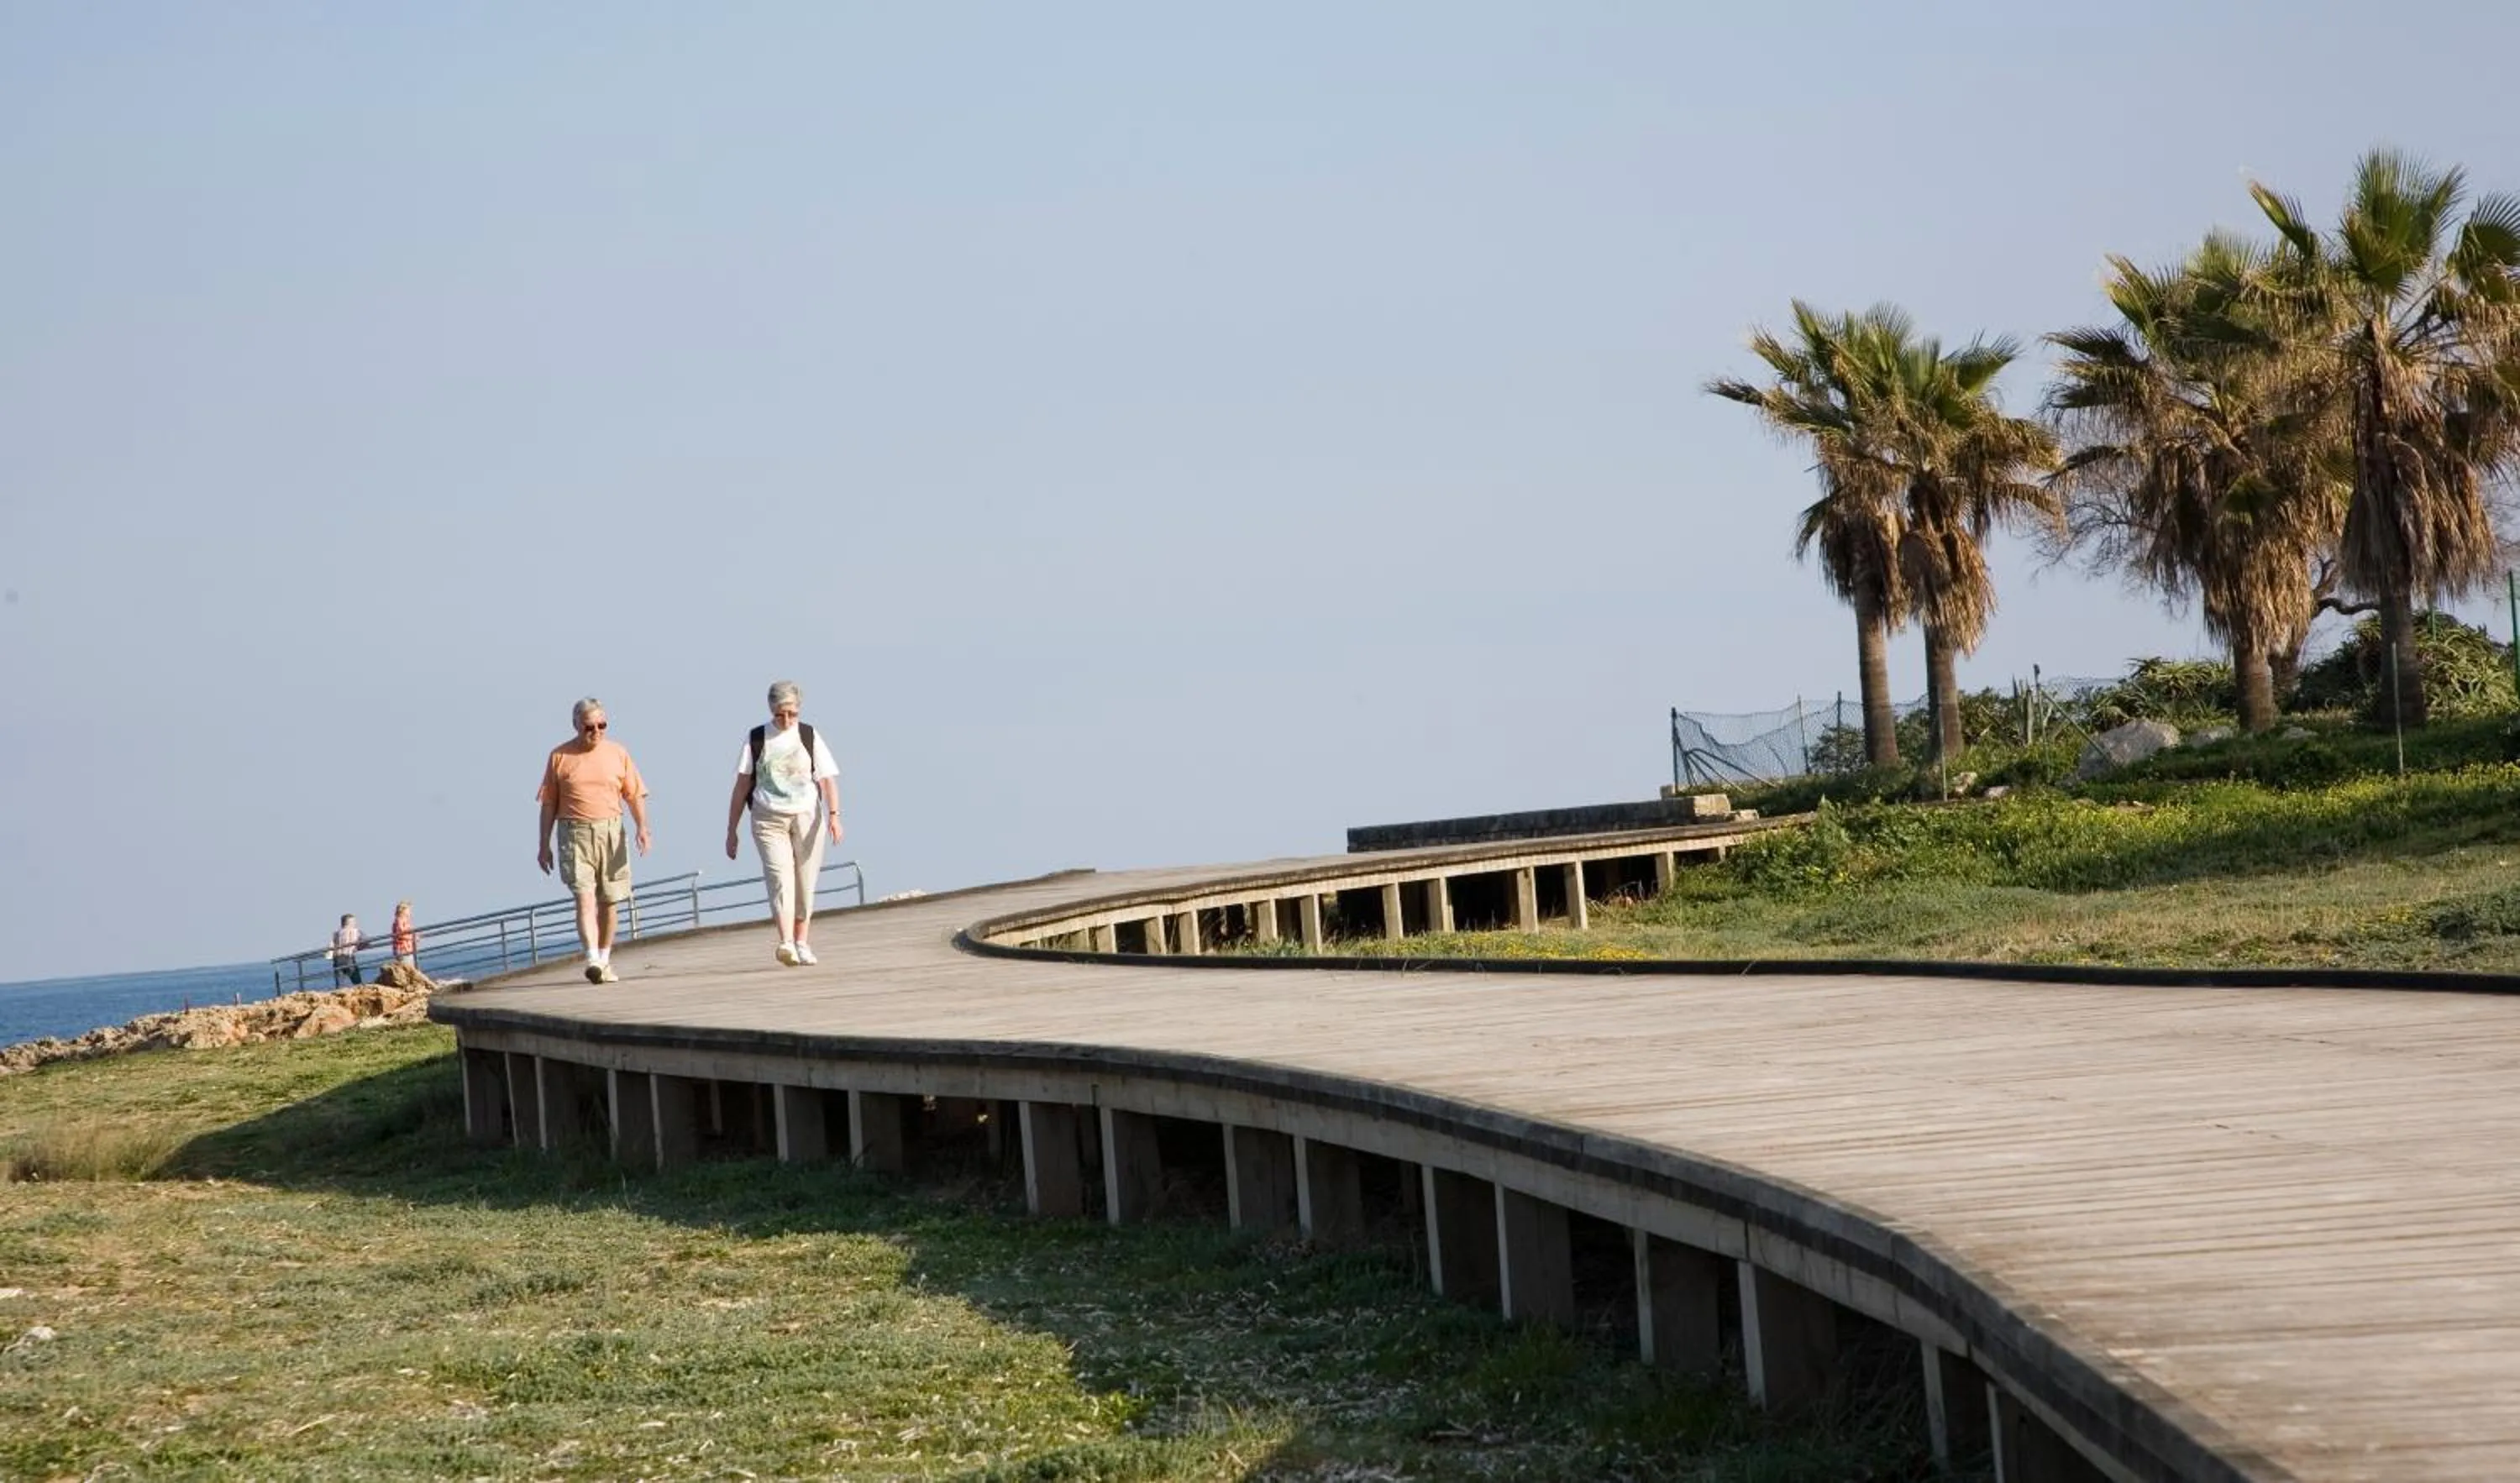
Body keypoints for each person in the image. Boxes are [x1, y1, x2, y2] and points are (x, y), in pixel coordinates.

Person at [724, 679, 843, 966]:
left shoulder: (808, 735)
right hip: (767, 816)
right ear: (771, 710)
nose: (786, 719)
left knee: (805, 880)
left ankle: (802, 941)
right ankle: (786, 942)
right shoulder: (757, 738)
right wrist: (732, 830)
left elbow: (827, 779)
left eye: (791, 713)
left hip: (807, 815)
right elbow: (742, 785)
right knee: (780, 877)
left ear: (799, 710)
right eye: (780, 714)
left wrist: (835, 816)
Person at [536, 695, 652, 983]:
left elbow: (634, 794)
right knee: (584, 898)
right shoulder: (559, 757)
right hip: (574, 834)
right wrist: (543, 845)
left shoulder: (618, 753)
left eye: (602, 725)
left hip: (611, 831)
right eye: (590, 727)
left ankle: (604, 958)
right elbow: (549, 803)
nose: (596, 732)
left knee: (610, 900)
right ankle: (591, 958)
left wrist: (642, 828)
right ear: (576, 725)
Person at [328, 913, 364, 987]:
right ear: (350, 923)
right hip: (348, 957)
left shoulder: (336, 933)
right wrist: (357, 948)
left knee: (340, 983)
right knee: (357, 981)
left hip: (337, 959)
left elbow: (331, 946)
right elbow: (366, 942)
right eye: (354, 922)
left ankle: (339, 993)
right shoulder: (356, 931)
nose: (355, 924)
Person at [391, 900, 417, 969]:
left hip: (407, 950)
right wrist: (413, 937)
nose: (410, 912)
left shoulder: (404, 921)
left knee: (409, 968)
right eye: (408, 910)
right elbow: (401, 934)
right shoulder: (399, 921)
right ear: (403, 911)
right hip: (403, 950)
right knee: (407, 969)